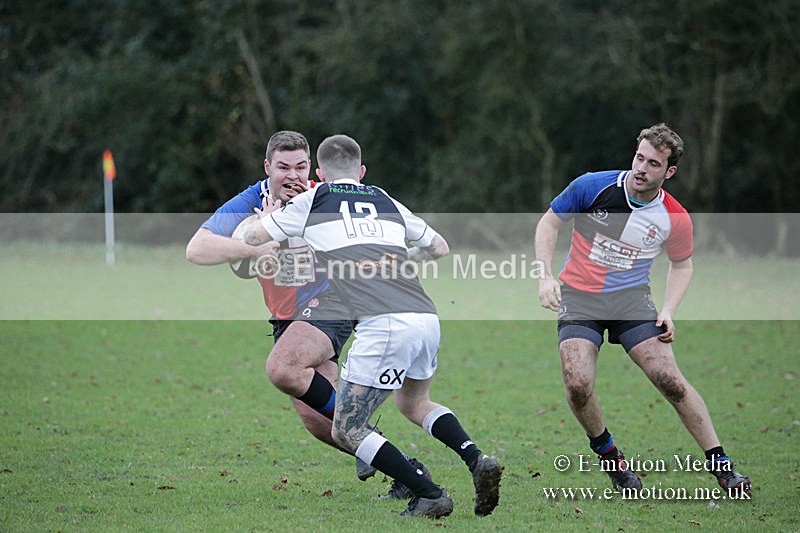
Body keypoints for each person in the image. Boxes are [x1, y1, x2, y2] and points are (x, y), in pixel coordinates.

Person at [241, 134, 503, 518]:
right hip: (424, 316)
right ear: (361, 172)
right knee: (414, 403)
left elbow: (251, 238)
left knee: (347, 429)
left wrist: (264, 220)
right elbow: (441, 247)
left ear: (319, 173)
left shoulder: (314, 198)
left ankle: (428, 493)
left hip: (385, 324)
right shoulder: (385, 199)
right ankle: (475, 458)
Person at [186, 130, 426, 492]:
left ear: (311, 168)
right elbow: (197, 249)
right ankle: (404, 470)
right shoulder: (252, 202)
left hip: (334, 303)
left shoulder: (322, 197)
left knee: (284, 368)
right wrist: (253, 248)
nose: (293, 176)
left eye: (300, 167)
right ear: (268, 167)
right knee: (317, 419)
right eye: (283, 167)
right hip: (288, 317)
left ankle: (366, 433)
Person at [534, 123, 751, 496]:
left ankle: (723, 468)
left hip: (631, 300)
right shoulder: (593, 186)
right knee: (578, 384)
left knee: (670, 381)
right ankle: (613, 461)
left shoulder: (674, 217)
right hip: (580, 298)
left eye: (653, 163)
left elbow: (682, 265)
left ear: (669, 172)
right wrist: (544, 276)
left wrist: (668, 309)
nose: (641, 168)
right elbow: (548, 224)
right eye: (639, 158)